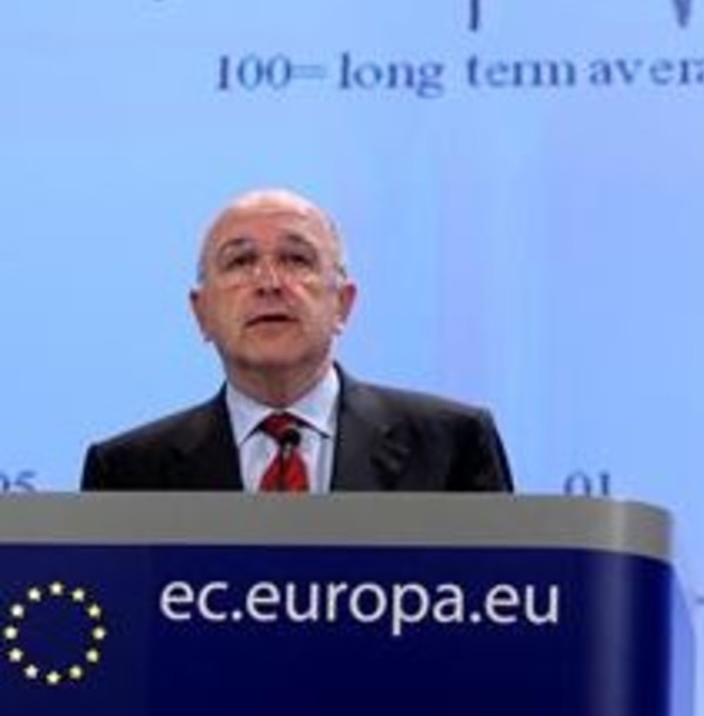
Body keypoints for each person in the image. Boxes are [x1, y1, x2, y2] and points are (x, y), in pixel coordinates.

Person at [81, 187, 513, 492]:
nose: (269, 282)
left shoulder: (453, 445)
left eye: (296, 259)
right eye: (240, 261)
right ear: (202, 314)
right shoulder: (126, 473)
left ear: (342, 304)